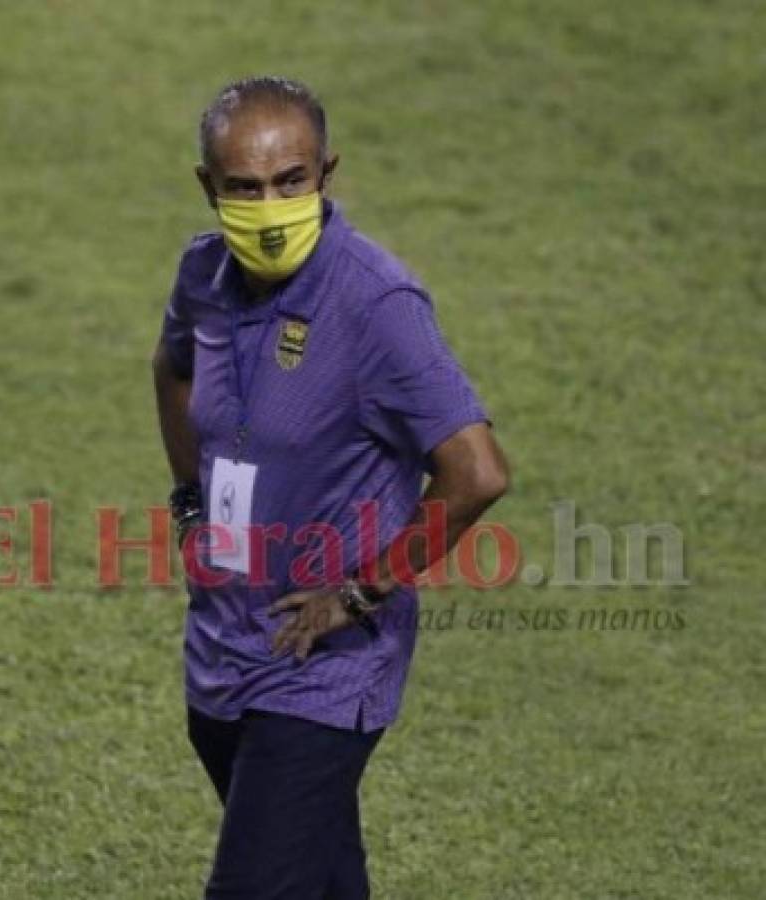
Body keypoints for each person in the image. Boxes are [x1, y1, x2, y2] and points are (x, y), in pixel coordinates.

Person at [152, 76, 510, 899]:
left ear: (326, 174)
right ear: (208, 187)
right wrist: (188, 504)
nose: (269, 205)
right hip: (223, 642)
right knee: (319, 879)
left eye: (291, 181)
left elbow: (476, 473)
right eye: (243, 187)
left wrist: (358, 590)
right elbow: (170, 369)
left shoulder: (375, 303)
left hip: (325, 668)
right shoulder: (203, 275)